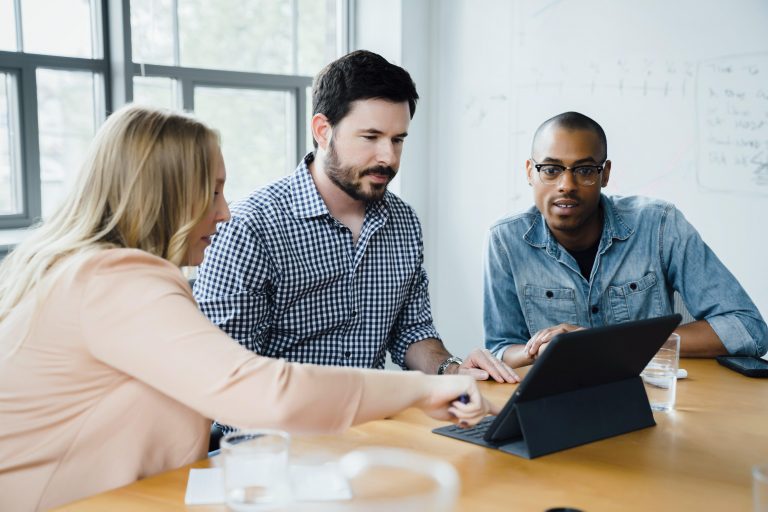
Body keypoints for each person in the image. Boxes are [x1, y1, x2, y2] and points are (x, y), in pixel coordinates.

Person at [0, 105, 496, 512]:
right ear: (163, 197)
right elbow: (264, 392)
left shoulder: (74, 268)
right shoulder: (114, 279)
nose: (225, 211)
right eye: (212, 191)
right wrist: (424, 389)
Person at [194, 50, 517, 386]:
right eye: (371, 137)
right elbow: (225, 374)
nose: (388, 157)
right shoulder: (250, 227)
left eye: (397, 140)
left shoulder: (403, 222)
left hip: (373, 423)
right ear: (322, 130)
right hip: (281, 432)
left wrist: (452, 370)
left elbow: (413, 331)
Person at [484, 111, 767, 367]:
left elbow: (748, 329)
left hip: (654, 398)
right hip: (561, 401)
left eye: (584, 170)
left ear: (604, 174)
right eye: (551, 169)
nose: (566, 185)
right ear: (530, 172)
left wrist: (606, 343)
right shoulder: (506, 240)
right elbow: (501, 348)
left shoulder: (660, 224)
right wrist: (542, 350)